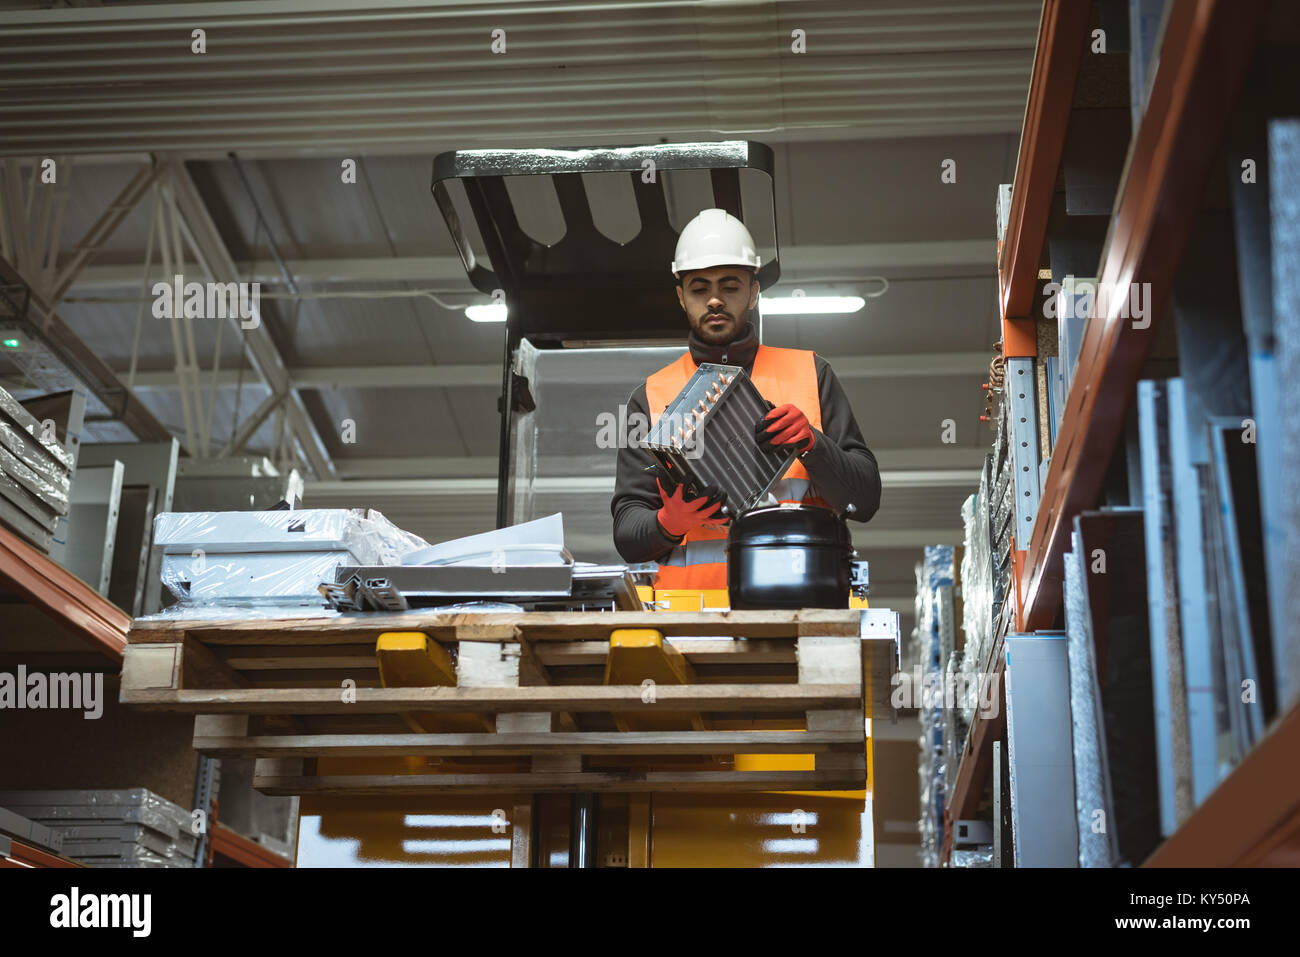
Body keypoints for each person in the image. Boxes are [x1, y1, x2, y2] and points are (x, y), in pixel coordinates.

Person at [610, 208, 882, 588]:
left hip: (799, 611)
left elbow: (864, 500)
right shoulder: (649, 397)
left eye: (730, 286)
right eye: (700, 288)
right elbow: (627, 533)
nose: (715, 300)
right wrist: (669, 522)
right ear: (681, 297)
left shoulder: (811, 373)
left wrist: (813, 445)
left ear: (754, 291)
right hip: (693, 627)